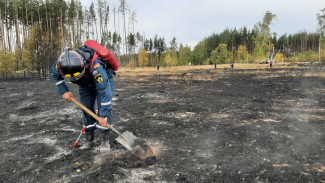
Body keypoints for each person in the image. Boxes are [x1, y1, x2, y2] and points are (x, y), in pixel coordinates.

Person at [50, 46, 115, 143]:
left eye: (77, 76)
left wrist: (104, 115)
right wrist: (63, 90)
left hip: (103, 80)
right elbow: (54, 73)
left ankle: (104, 139)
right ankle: (89, 134)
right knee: (86, 107)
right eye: (73, 78)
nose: (75, 79)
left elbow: (104, 92)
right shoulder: (61, 64)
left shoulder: (96, 67)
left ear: (83, 65)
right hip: (85, 84)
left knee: (103, 109)